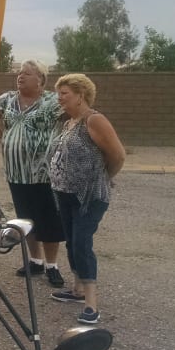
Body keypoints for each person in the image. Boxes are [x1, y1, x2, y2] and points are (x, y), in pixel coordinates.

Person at [48, 73, 125, 325]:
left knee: (81, 243)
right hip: (65, 193)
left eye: (64, 93)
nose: (59, 98)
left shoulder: (94, 120)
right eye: (58, 93)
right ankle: (77, 290)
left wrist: (103, 177)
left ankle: (91, 304)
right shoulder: (69, 122)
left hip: (89, 196)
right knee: (72, 242)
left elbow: (118, 155)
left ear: (80, 95)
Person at [0, 60, 66, 288]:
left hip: (44, 174)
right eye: (19, 73)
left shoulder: (52, 101)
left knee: (49, 219)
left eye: (27, 73)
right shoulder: (7, 99)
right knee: (26, 217)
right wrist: (3, 137)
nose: (20, 76)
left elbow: (75, 117)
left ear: (40, 80)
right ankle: (35, 261)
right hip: (16, 172)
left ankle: (52, 266)